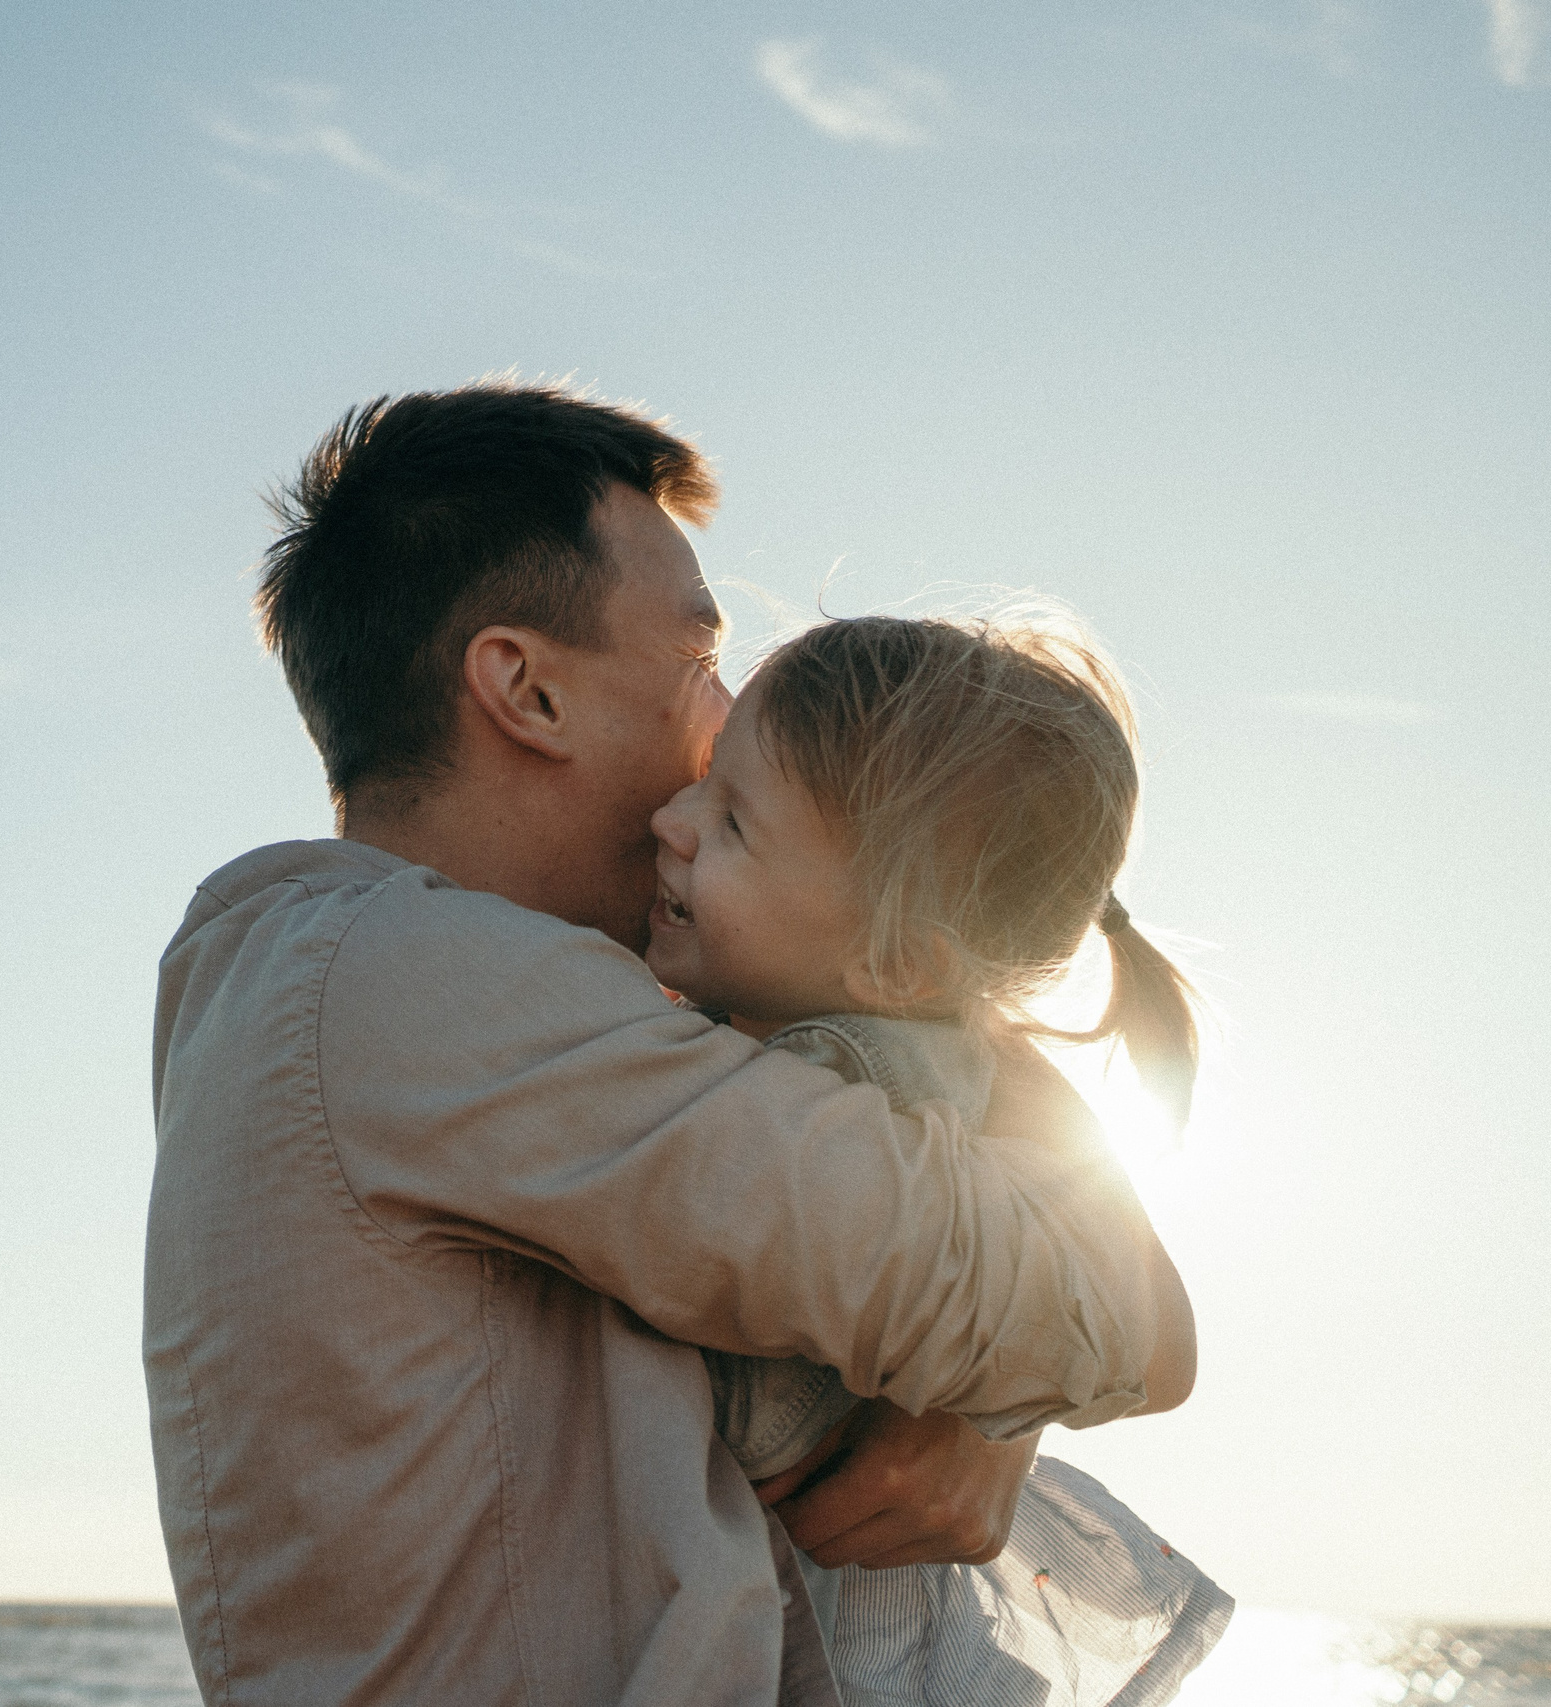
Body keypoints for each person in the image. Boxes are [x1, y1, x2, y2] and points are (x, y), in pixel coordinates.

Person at [144, 379, 1198, 1705]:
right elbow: (1120, 1316)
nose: (724, 722)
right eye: (701, 659)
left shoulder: (407, 990)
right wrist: (986, 1395)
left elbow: (1075, 1291)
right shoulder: (413, 983)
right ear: (525, 687)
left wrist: (981, 1409)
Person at [653, 614, 1232, 1705]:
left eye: (731, 822)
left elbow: (1154, 1338)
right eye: (703, 785)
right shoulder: (944, 1050)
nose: (669, 821)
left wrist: (976, 1406)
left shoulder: (839, 1076)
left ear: (896, 959)